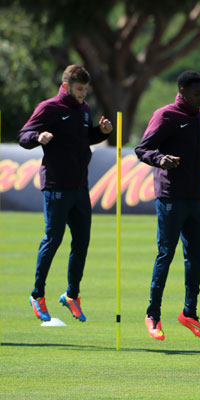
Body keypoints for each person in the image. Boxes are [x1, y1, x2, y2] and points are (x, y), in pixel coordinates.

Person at [135, 71, 200, 341]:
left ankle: (189, 313)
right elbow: (143, 149)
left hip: (196, 197)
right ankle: (153, 315)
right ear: (182, 91)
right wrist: (161, 159)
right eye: (196, 94)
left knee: (197, 255)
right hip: (170, 197)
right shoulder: (166, 115)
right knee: (166, 255)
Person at [18, 65, 112, 323]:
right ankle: (37, 294)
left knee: (81, 242)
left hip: (80, 186)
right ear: (66, 85)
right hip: (56, 186)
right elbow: (23, 136)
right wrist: (39, 136)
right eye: (80, 89)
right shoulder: (49, 108)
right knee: (53, 239)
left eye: (85, 90)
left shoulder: (83, 108)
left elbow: (83, 138)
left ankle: (72, 295)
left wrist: (100, 132)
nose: (83, 94)